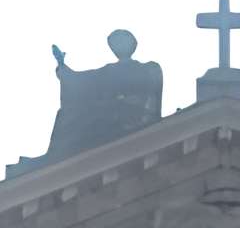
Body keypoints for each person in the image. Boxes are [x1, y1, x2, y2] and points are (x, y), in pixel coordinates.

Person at [44, 30, 163, 160]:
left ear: (132, 44)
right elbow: (82, 82)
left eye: (122, 41)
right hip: (111, 113)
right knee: (68, 113)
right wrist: (62, 66)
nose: (118, 45)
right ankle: (57, 156)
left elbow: (152, 97)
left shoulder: (148, 67)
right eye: (115, 43)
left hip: (133, 113)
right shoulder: (108, 70)